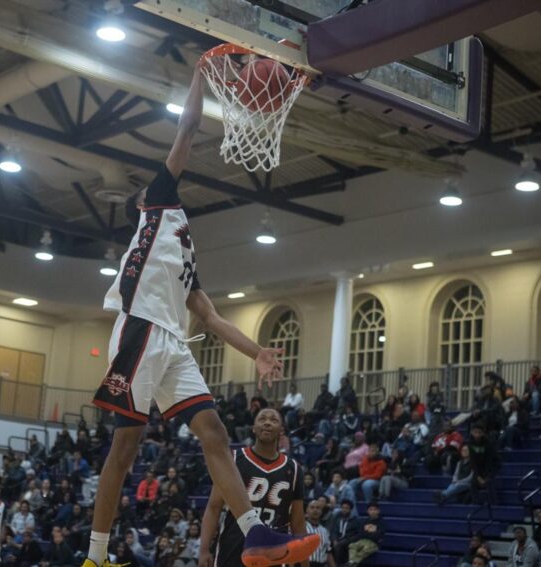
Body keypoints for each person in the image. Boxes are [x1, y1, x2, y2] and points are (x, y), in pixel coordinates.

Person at [85, 63, 318, 567]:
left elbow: (210, 318)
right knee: (125, 446)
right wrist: (201, 74)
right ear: (146, 202)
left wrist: (257, 351)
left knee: (213, 431)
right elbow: (188, 128)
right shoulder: (157, 210)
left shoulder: (182, 249)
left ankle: (255, 535)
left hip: (172, 340)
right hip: (141, 330)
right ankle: (95, 556)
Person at [199, 408, 307, 567]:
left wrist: (304, 563)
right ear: (253, 428)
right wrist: (204, 549)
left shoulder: (294, 469)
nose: (268, 423)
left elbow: (297, 522)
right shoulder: (234, 460)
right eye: (262, 419)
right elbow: (214, 507)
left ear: (281, 431)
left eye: (274, 420)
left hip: (273, 553)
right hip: (233, 548)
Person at [346, 502, 384, 566]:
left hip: (374, 543)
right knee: (352, 545)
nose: (373, 511)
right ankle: (352, 562)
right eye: (371, 509)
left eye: (375, 509)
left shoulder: (381, 523)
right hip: (363, 541)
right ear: (367, 511)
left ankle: (353, 562)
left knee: (366, 548)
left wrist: (367, 533)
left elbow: (378, 535)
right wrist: (370, 533)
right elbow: (361, 533)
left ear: (378, 511)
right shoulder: (365, 521)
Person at [304, 499, 336, 567]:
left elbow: (328, 553)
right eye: (312, 507)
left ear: (321, 511)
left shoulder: (325, 531)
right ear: (307, 510)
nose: (315, 510)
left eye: (318, 508)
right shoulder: (300, 528)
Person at [329, 500, 359, 565]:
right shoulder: (338, 518)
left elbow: (358, 534)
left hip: (348, 539)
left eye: (346, 508)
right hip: (338, 539)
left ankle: (337, 564)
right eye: (343, 508)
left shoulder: (355, 520)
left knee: (340, 545)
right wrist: (334, 539)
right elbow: (334, 531)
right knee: (327, 544)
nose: (344, 510)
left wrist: (348, 540)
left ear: (350, 509)